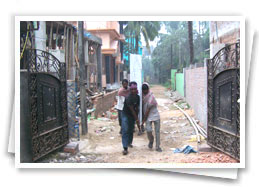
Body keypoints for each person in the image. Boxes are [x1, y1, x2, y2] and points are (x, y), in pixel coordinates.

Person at [121, 81, 141, 155]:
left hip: (133, 115)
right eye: (132, 89)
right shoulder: (128, 98)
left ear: (136, 89)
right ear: (130, 89)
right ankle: (125, 148)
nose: (133, 91)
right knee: (125, 129)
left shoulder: (138, 97)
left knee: (131, 129)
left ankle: (129, 142)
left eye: (135, 89)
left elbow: (137, 108)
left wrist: (137, 117)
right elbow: (132, 110)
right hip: (125, 114)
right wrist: (137, 119)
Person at [141, 82, 162, 152]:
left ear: (148, 89)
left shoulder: (151, 97)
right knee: (148, 130)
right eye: (143, 90)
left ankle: (158, 146)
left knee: (157, 132)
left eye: (146, 90)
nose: (145, 91)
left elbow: (147, 110)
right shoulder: (142, 96)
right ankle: (151, 140)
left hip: (155, 115)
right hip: (148, 117)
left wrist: (143, 119)